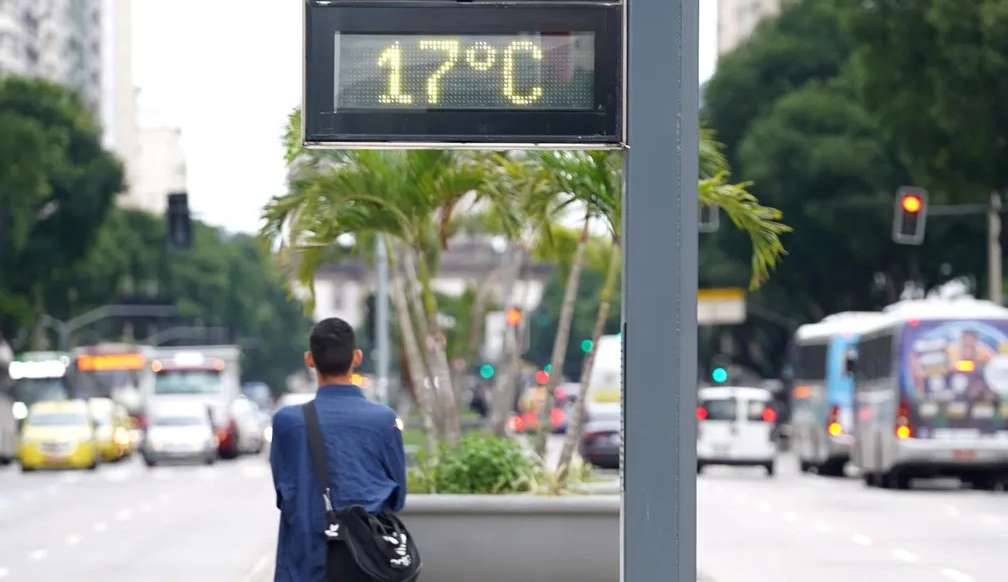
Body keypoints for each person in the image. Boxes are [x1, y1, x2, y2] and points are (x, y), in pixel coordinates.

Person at [270, 318, 407, 581]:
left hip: (305, 565)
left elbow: (283, 494)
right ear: (356, 357)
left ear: (309, 360)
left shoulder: (287, 422)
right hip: (369, 566)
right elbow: (397, 497)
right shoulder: (383, 420)